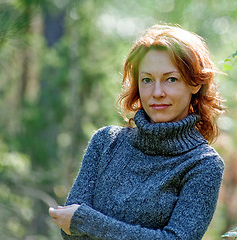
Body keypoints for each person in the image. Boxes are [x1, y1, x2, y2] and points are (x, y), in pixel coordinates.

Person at [49, 24, 225, 240]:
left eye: (171, 79)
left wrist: (87, 222)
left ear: (195, 83)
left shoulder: (203, 164)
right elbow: (69, 231)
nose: (157, 92)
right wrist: (79, 224)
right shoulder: (105, 142)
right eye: (147, 80)